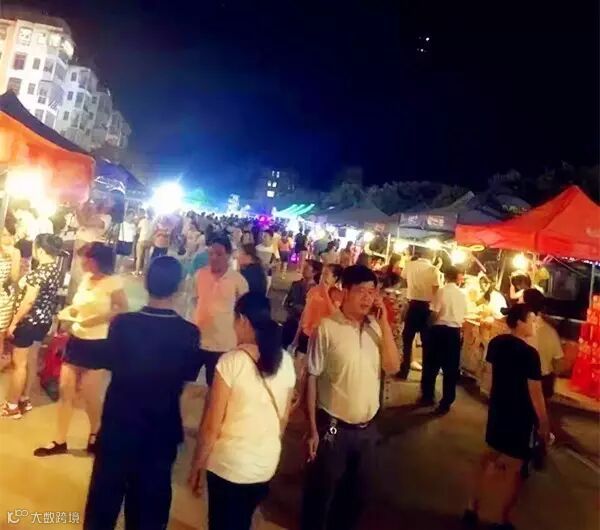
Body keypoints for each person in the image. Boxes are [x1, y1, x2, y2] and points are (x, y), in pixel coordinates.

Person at [83, 257, 202, 530]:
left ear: (147, 282)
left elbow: (110, 364)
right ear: (179, 286)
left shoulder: (123, 324)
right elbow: (185, 384)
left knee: (104, 502)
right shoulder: (189, 333)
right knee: (149, 509)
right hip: (160, 430)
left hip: (118, 423)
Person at [301, 265, 400, 530]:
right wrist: (313, 429)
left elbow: (392, 366)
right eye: (361, 291)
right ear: (344, 292)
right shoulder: (327, 328)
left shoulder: (376, 328)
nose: (367, 298)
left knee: (356, 498)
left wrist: (384, 323)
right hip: (333, 428)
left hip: (368, 431)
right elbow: (311, 377)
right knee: (320, 495)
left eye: (372, 292)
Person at [188, 293, 296, 530]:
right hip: (265, 466)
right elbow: (283, 420)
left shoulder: (231, 362)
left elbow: (211, 427)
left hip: (230, 467)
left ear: (244, 320)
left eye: (235, 320)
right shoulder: (286, 361)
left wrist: (197, 465)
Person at [34, 243, 128, 456]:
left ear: (96, 260)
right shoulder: (85, 279)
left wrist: (99, 319)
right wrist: (69, 314)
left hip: (98, 343)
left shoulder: (112, 282)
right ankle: (59, 440)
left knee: (89, 393)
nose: (82, 262)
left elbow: (123, 308)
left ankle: (96, 433)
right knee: (65, 389)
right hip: (76, 338)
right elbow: (77, 306)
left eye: (86, 257)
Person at [464, 304, 549, 530]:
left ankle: (471, 507)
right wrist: (544, 424)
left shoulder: (496, 343)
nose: (534, 324)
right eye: (531, 320)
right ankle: (500, 520)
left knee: (489, 458)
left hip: (498, 409)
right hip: (520, 416)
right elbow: (536, 394)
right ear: (519, 322)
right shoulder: (530, 355)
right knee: (514, 469)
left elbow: (488, 378)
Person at [1, 234, 62, 418]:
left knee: (19, 364)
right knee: (32, 360)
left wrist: (13, 323)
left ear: (41, 250)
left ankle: (11, 406)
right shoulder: (55, 269)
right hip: (43, 321)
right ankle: (24, 399)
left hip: (28, 322)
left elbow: (28, 302)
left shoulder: (38, 274)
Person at [195, 236, 249, 386]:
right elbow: (192, 300)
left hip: (223, 344)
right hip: (198, 339)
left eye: (219, 254)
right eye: (211, 253)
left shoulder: (238, 281)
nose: (214, 258)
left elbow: (244, 313)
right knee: (184, 383)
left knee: (214, 387)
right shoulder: (200, 275)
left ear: (228, 255)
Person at [420, 266, 468, 413]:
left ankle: (428, 396)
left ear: (446, 276)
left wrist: (427, 327)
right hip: (454, 333)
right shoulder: (462, 294)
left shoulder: (442, 291)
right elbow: (464, 316)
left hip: (439, 331)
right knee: (450, 369)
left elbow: (434, 313)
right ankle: (447, 401)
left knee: (431, 365)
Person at [397, 247, 439, 379]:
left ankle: (404, 370)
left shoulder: (410, 265)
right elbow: (436, 290)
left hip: (413, 305)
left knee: (407, 340)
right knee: (427, 344)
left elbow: (403, 280)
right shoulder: (433, 270)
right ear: (432, 257)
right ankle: (426, 376)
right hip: (427, 308)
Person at [523, 289, 564, 402]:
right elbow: (558, 363)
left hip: (523, 381)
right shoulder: (550, 331)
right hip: (544, 382)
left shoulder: (519, 330)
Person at [296, 263, 342, 356]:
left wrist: (325, 293)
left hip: (321, 337)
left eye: (326, 274)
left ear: (335, 278)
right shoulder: (314, 290)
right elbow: (305, 313)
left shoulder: (336, 294)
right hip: (306, 333)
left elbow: (335, 314)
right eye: (322, 273)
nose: (322, 277)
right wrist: (297, 336)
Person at [282, 260, 321, 349]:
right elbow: (286, 303)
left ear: (315, 272)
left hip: (304, 326)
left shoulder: (316, 290)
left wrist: (299, 308)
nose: (304, 269)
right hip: (291, 321)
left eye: (307, 268)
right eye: (304, 267)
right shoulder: (295, 284)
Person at [0, 217, 22, 361]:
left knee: (0, 336)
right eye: (3, 235)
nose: (6, 239)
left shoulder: (15, 252)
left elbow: (14, 278)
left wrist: (13, 256)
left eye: (9, 235)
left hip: (4, 299)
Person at [135, 209, 154, 274]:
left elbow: (137, 230)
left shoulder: (143, 221)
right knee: (146, 258)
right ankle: (144, 272)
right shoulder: (153, 222)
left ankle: (137, 271)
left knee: (139, 257)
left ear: (147, 213)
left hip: (142, 240)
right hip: (149, 241)